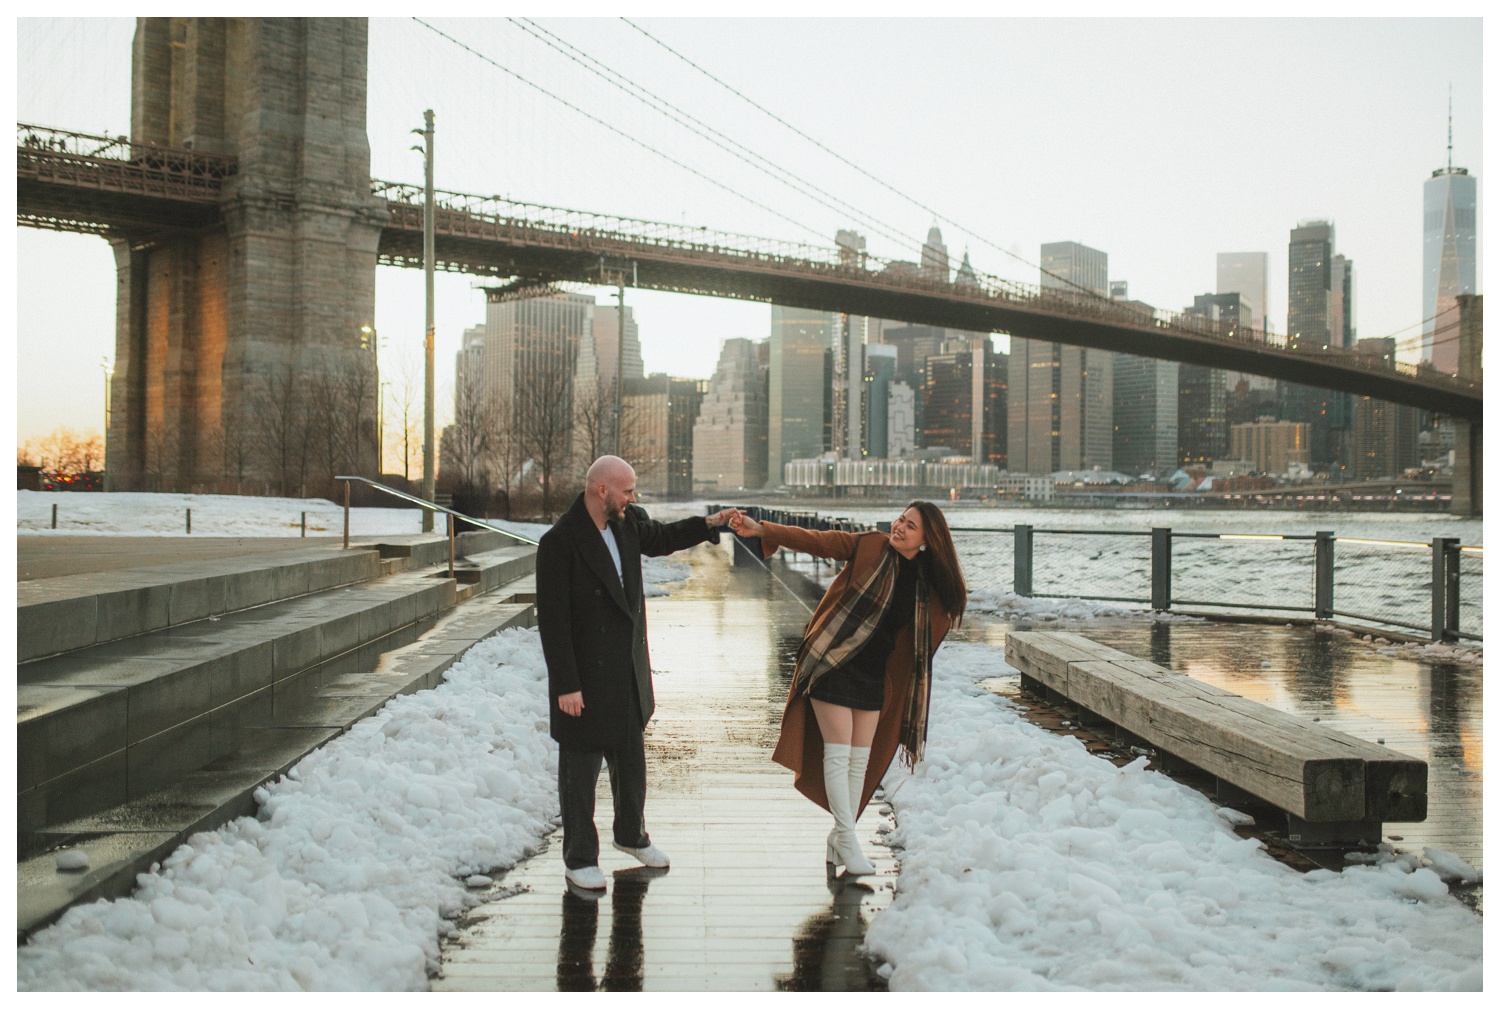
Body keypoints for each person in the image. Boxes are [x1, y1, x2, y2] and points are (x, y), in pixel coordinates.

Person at [536, 455, 740, 893]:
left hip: (626, 671)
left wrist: (711, 523)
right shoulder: (559, 542)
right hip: (585, 680)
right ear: (600, 490)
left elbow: (664, 537)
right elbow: (554, 622)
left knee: (631, 767)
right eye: (627, 490)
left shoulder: (627, 524)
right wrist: (566, 685)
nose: (634, 497)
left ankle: (631, 836)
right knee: (580, 775)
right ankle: (579, 859)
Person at [729, 502, 966, 875]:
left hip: (873, 675)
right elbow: (820, 541)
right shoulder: (870, 545)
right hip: (833, 661)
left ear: (926, 541)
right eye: (901, 519)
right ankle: (848, 840)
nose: (899, 527)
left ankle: (840, 839)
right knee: (839, 757)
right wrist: (763, 531)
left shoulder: (925, 584)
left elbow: (934, 623)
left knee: (860, 762)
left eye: (911, 526)